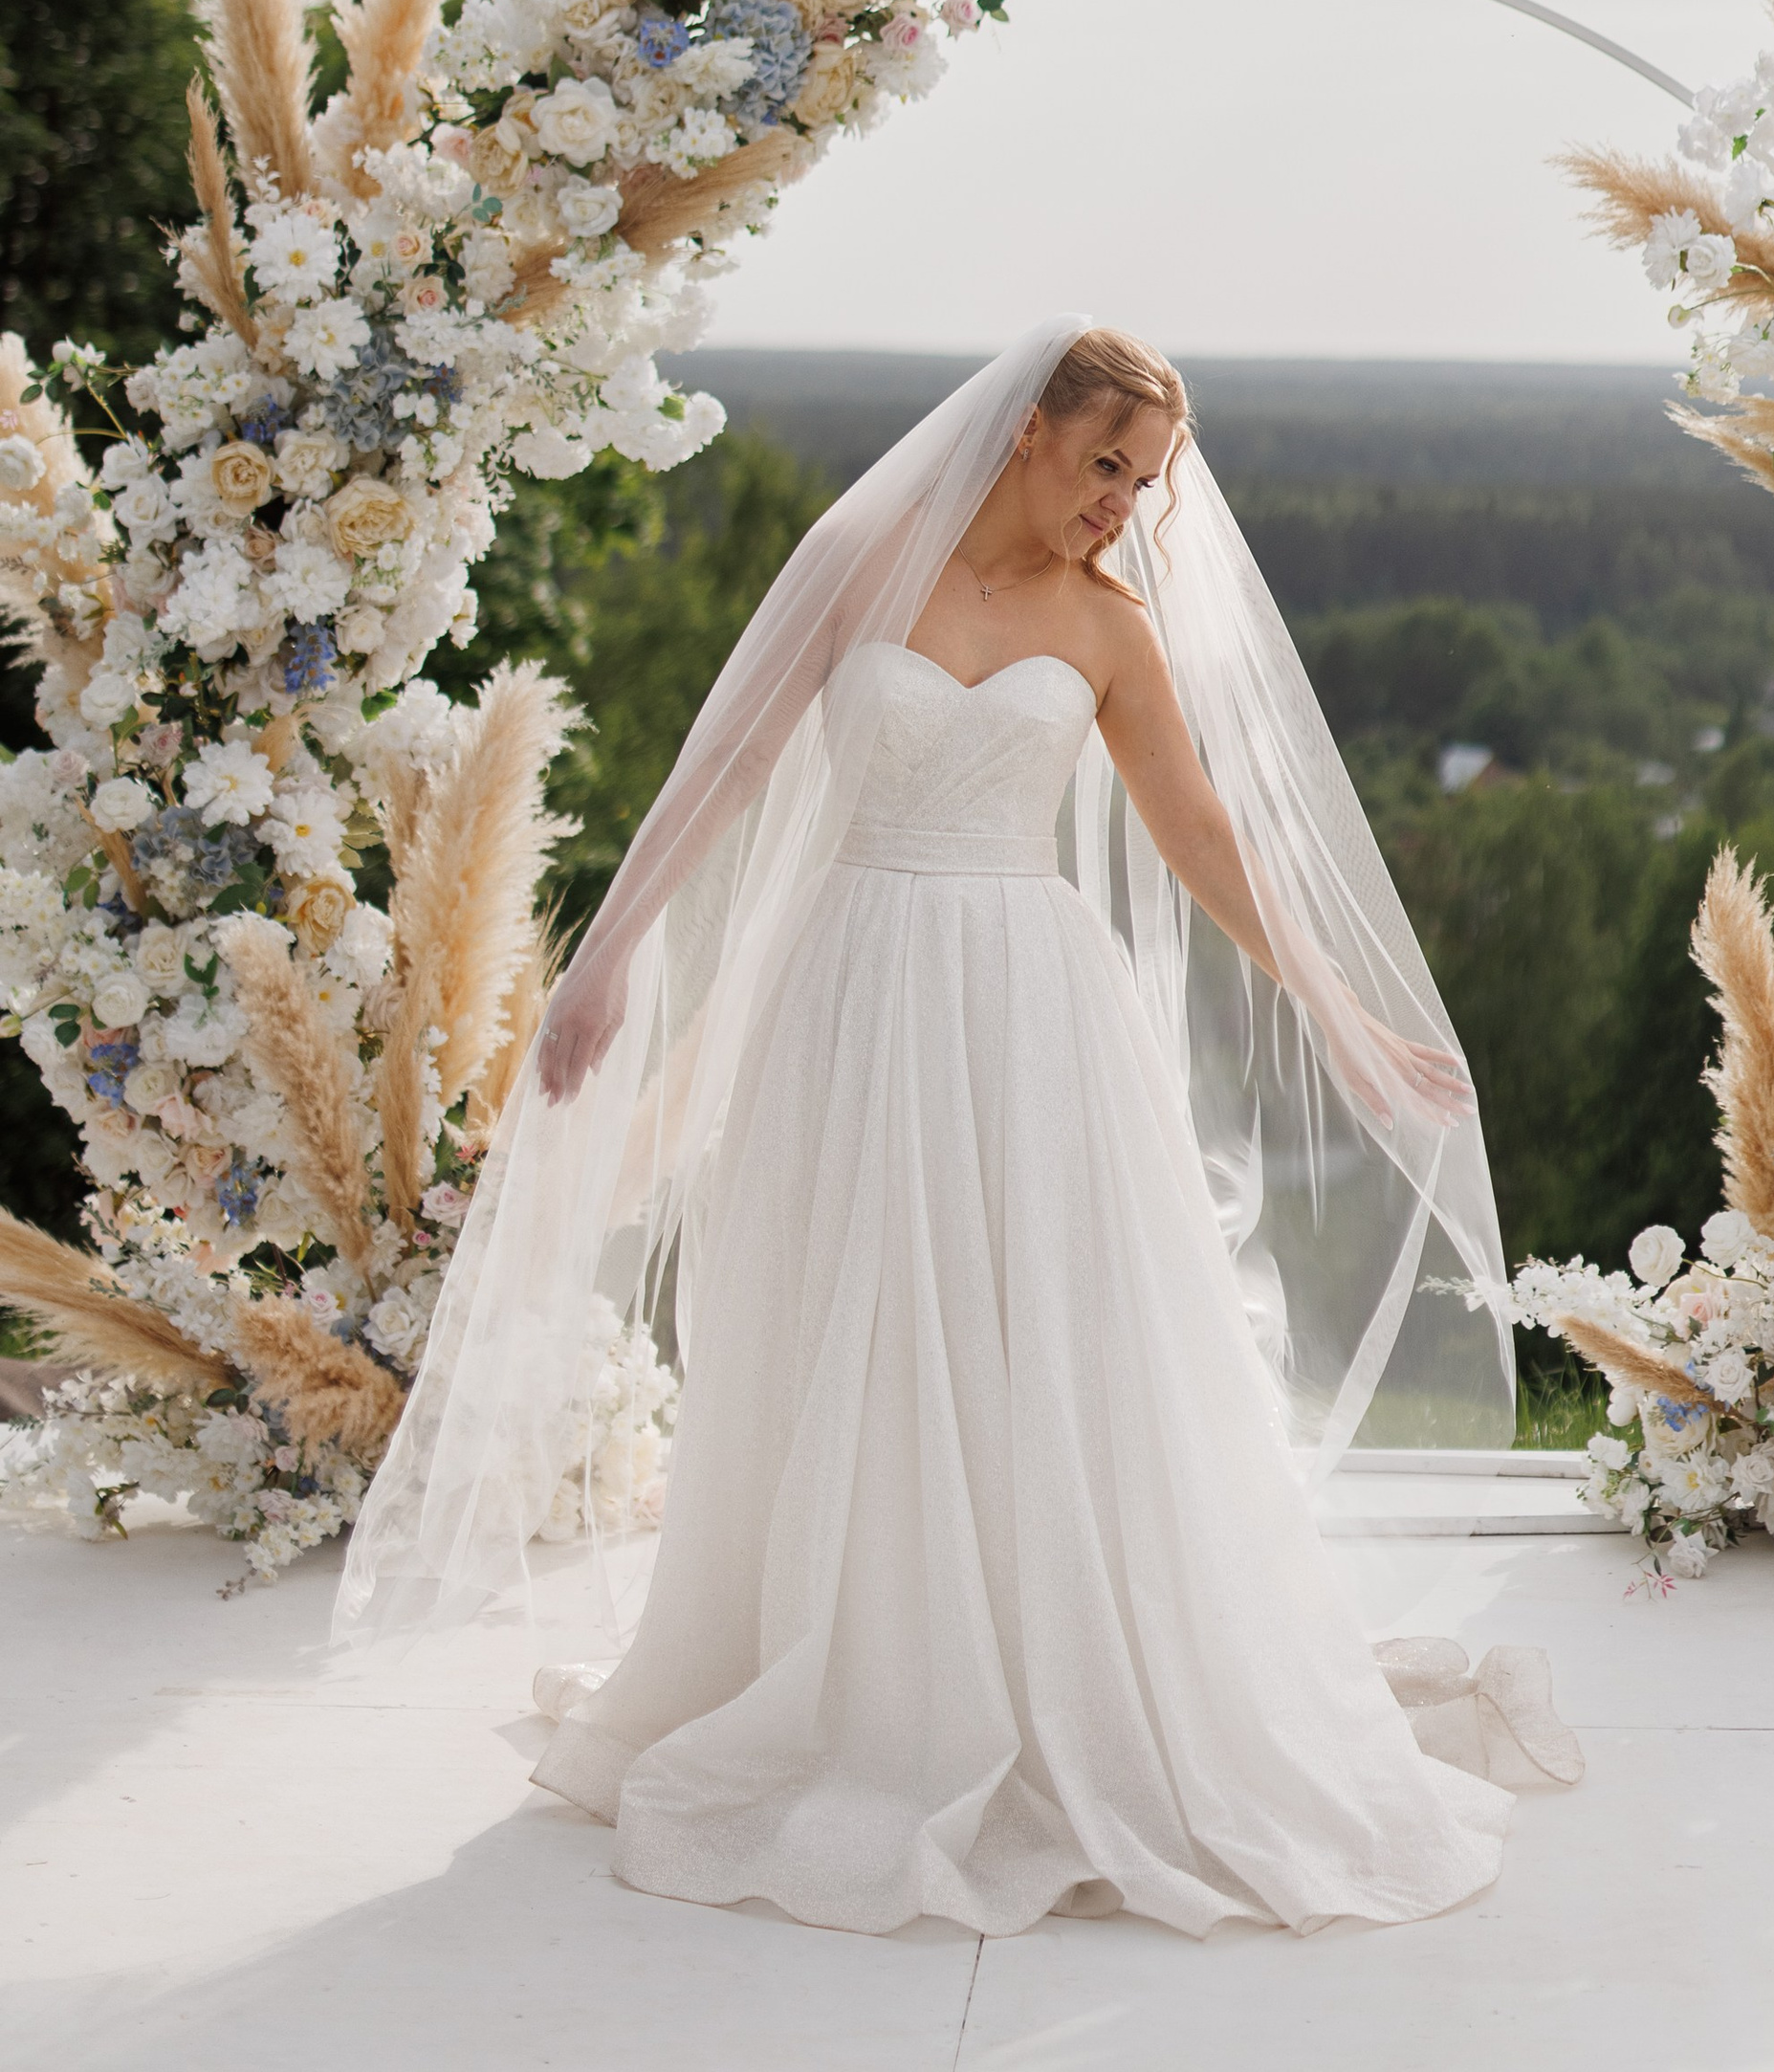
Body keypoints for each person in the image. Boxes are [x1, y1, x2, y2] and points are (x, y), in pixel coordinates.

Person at [341, 320, 1577, 1937]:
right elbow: (726, 765)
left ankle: (1051, 1675)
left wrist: (1339, 1011)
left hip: (1027, 1009)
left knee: (1039, 1335)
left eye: (1145, 481)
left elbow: (1201, 832)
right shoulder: (861, 562)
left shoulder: (1112, 625)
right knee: (844, 1320)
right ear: (1024, 432)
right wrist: (609, 954)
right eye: (1104, 464)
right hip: (852, 989)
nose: (1122, 504)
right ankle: (857, 1671)